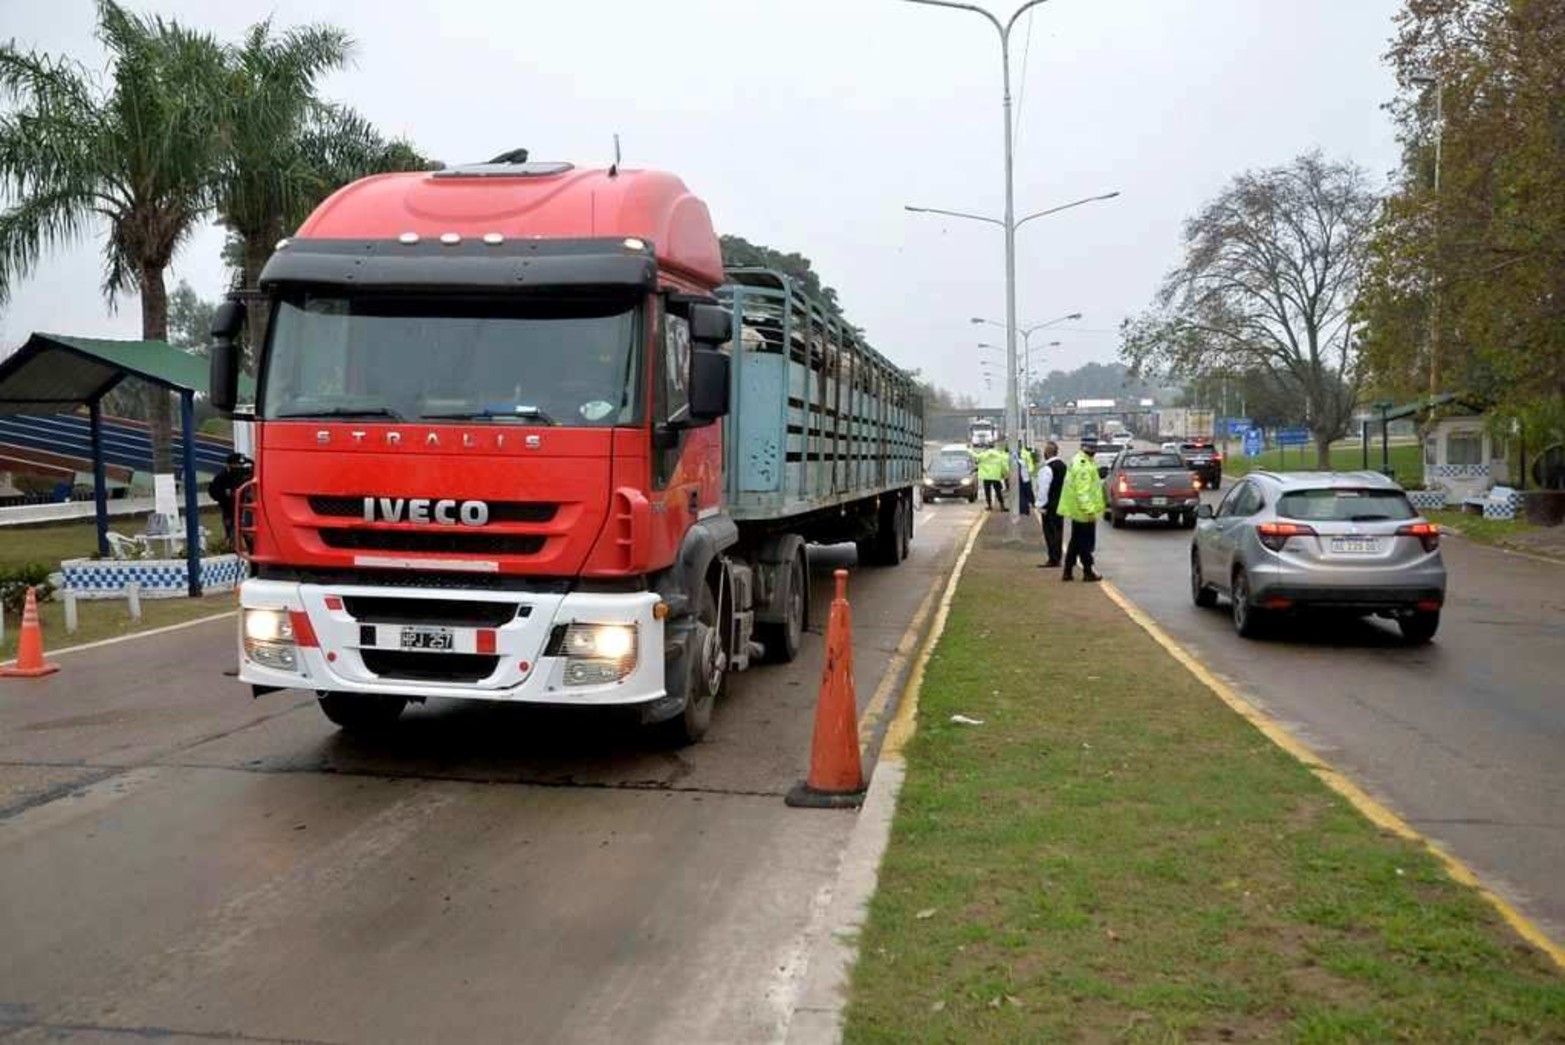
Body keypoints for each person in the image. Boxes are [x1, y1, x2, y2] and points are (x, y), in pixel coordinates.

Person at [1056, 444, 1105, 582]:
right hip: (1083, 511)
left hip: (1077, 510)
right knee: (1085, 544)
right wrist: (1089, 511)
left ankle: (1068, 570)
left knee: (1075, 542)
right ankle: (1088, 572)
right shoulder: (1083, 466)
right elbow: (1082, 492)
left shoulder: (1079, 460)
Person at [1035, 441, 1068, 567]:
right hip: (1061, 502)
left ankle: (1053, 558)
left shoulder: (1047, 468)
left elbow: (1044, 488)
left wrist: (1040, 505)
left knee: (1049, 532)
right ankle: (1058, 557)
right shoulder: (1064, 466)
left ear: (1047, 453)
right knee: (1059, 531)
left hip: (1050, 504)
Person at [208, 452, 252, 544]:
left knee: (247, 531)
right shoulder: (222, 476)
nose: (239, 467)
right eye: (237, 464)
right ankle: (232, 545)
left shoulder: (244, 472)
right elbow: (214, 491)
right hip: (229, 508)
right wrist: (224, 497)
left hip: (244, 508)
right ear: (230, 465)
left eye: (241, 465)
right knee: (231, 530)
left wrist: (249, 461)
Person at [976, 443, 1009, 511]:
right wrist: (1005, 473)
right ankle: (1002, 505)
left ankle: (989, 505)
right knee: (998, 490)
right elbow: (1003, 465)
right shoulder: (999, 455)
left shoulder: (984, 454)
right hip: (995, 475)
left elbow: (977, 461)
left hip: (986, 476)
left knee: (987, 491)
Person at [1014, 444, 1038, 515]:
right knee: (1026, 493)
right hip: (1023, 478)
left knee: (1025, 493)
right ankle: (1027, 507)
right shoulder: (1021, 457)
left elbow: (1030, 465)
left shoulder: (1023, 457)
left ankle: (1027, 507)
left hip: (1023, 478)